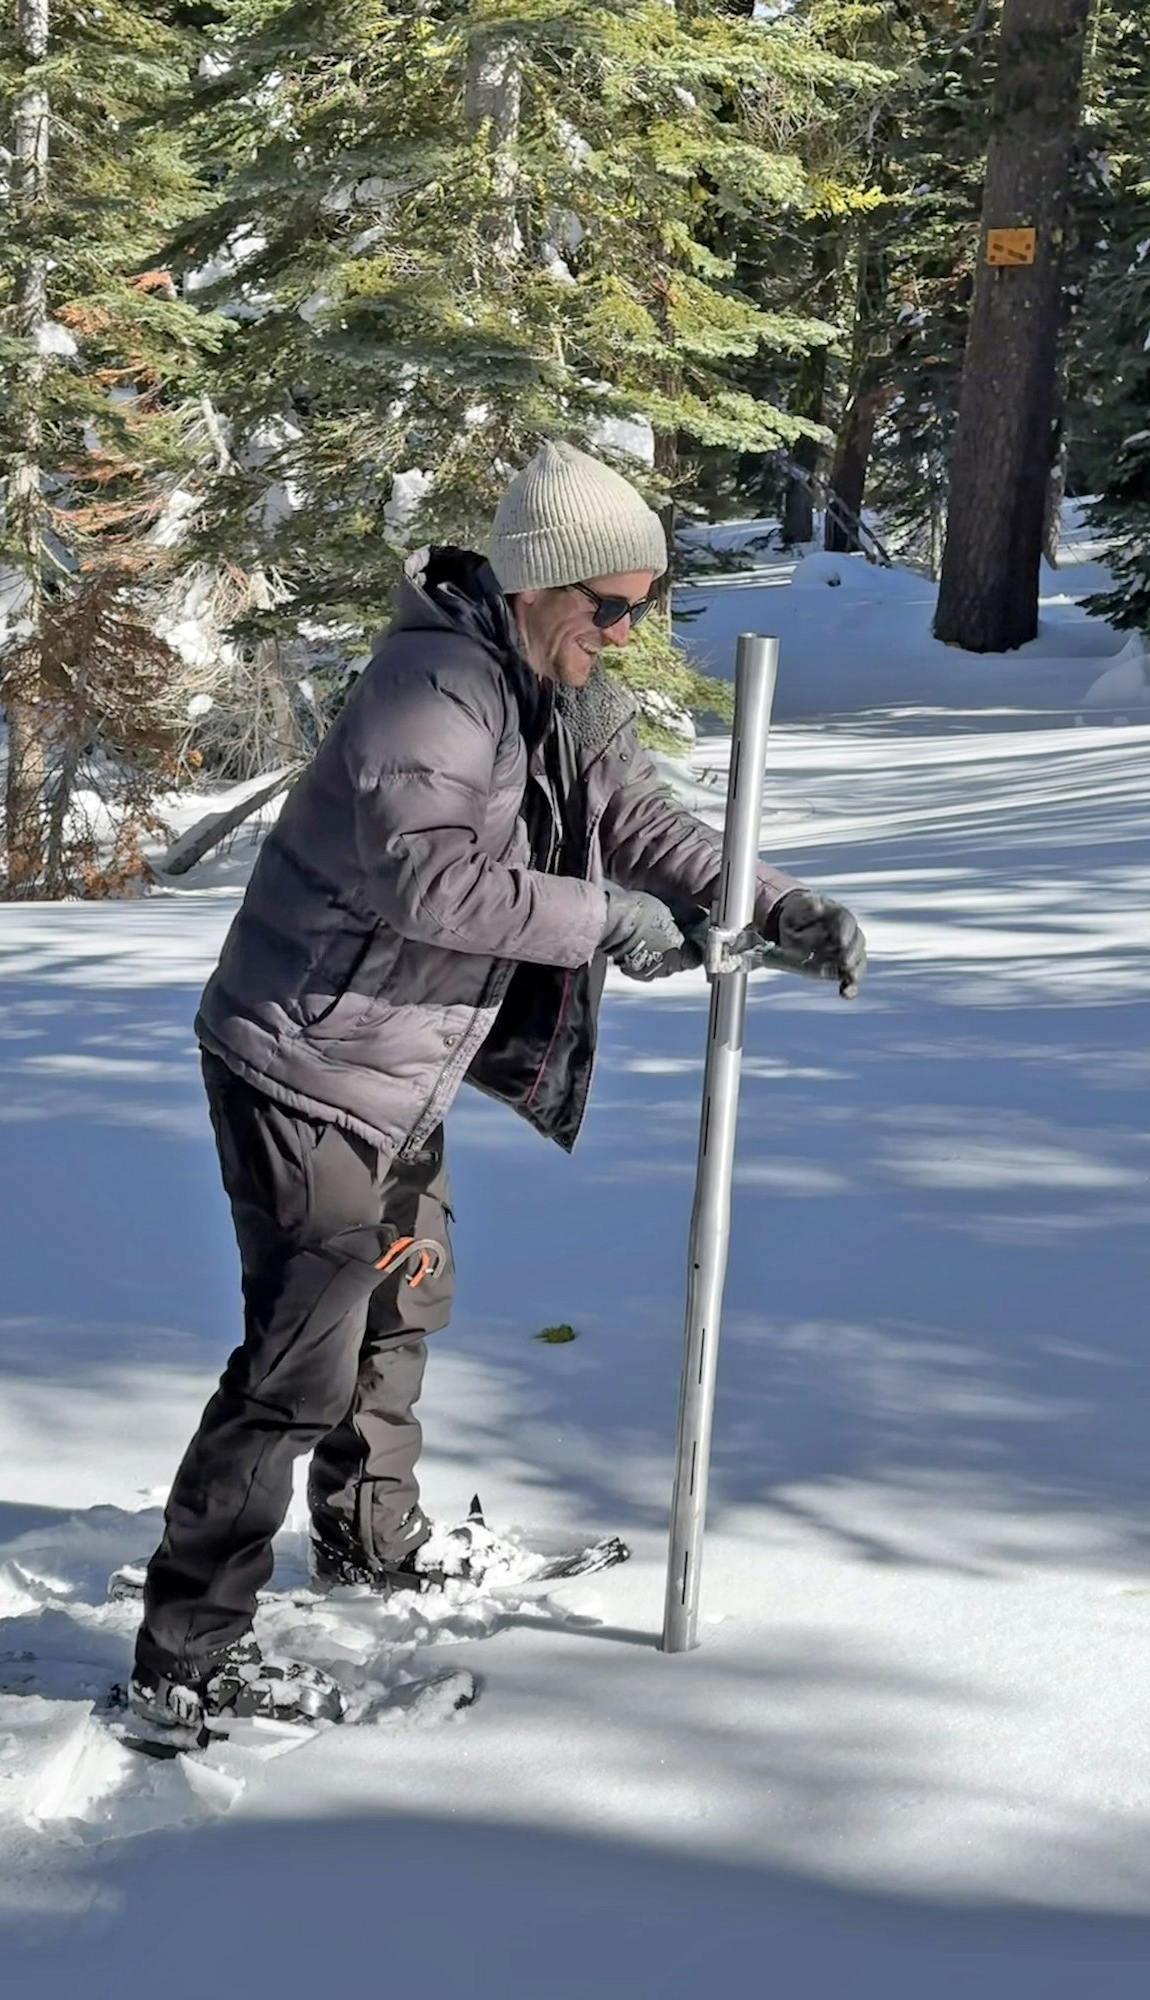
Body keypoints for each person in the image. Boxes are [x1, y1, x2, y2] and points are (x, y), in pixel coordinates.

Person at [129, 441, 866, 1734]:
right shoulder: (436, 690)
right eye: (612, 605)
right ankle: (187, 1653)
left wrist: (775, 902)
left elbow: (644, 824)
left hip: (395, 1072)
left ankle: (367, 1532)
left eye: (643, 606)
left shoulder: (553, 687)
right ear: (544, 582)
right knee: (302, 1359)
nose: (626, 631)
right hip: (302, 1066)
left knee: (409, 1295)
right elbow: (429, 880)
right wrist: (604, 923)